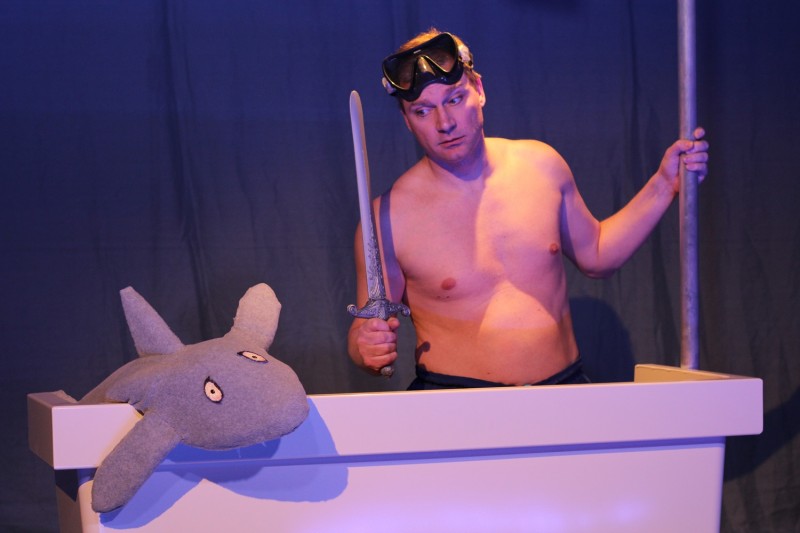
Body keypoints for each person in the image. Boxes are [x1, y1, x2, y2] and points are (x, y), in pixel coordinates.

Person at [347, 29, 709, 390]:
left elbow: (597, 255)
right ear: (407, 120)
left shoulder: (541, 166)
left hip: (562, 394)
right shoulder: (387, 219)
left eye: (455, 99)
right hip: (455, 404)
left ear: (479, 90)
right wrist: (366, 348)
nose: (444, 123)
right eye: (423, 111)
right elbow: (367, 329)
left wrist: (664, 184)